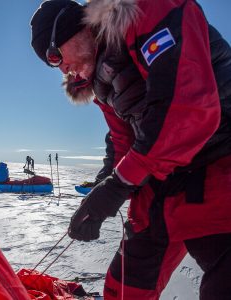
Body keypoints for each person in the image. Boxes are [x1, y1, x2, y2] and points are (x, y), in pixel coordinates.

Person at [30, 1, 231, 299]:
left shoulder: (148, 11)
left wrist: (118, 185)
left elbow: (186, 108)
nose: (61, 68)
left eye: (55, 56)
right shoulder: (100, 82)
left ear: (75, 28)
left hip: (220, 160)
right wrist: (101, 190)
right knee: (126, 285)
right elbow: (123, 140)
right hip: (164, 176)